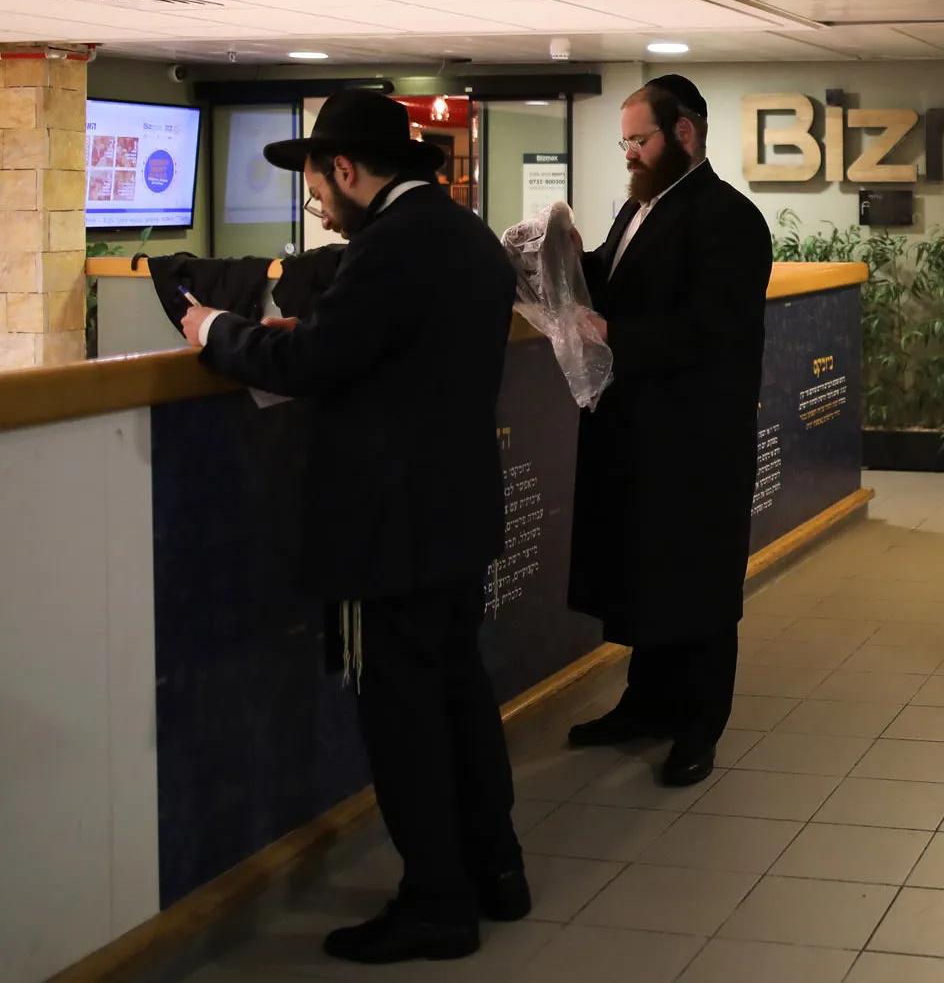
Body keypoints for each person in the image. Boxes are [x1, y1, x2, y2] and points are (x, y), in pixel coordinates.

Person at [179, 88, 527, 964]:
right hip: (453, 516)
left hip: (390, 531)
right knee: (458, 695)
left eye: (315, 183)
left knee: (405, 715)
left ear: (345, 169)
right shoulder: (464, 236)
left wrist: (216, 327)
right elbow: (387, 351)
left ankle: (437, 903)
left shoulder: (391, 249)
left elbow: (308, 361)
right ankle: (497, 870)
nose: (314, 204)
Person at [564, 74, 773, 787]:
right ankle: (645, 704)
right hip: (638, 435)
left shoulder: (729, 218)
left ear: (684, 133)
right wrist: (562, 257)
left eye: (639, 139)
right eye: (624, 141)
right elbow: (609, 278)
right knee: (647, 576)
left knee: (700, 588)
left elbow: (712, 328)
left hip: (697, 442)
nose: (630, 153)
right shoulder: (638, 211)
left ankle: (697, 726)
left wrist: (616, 334)